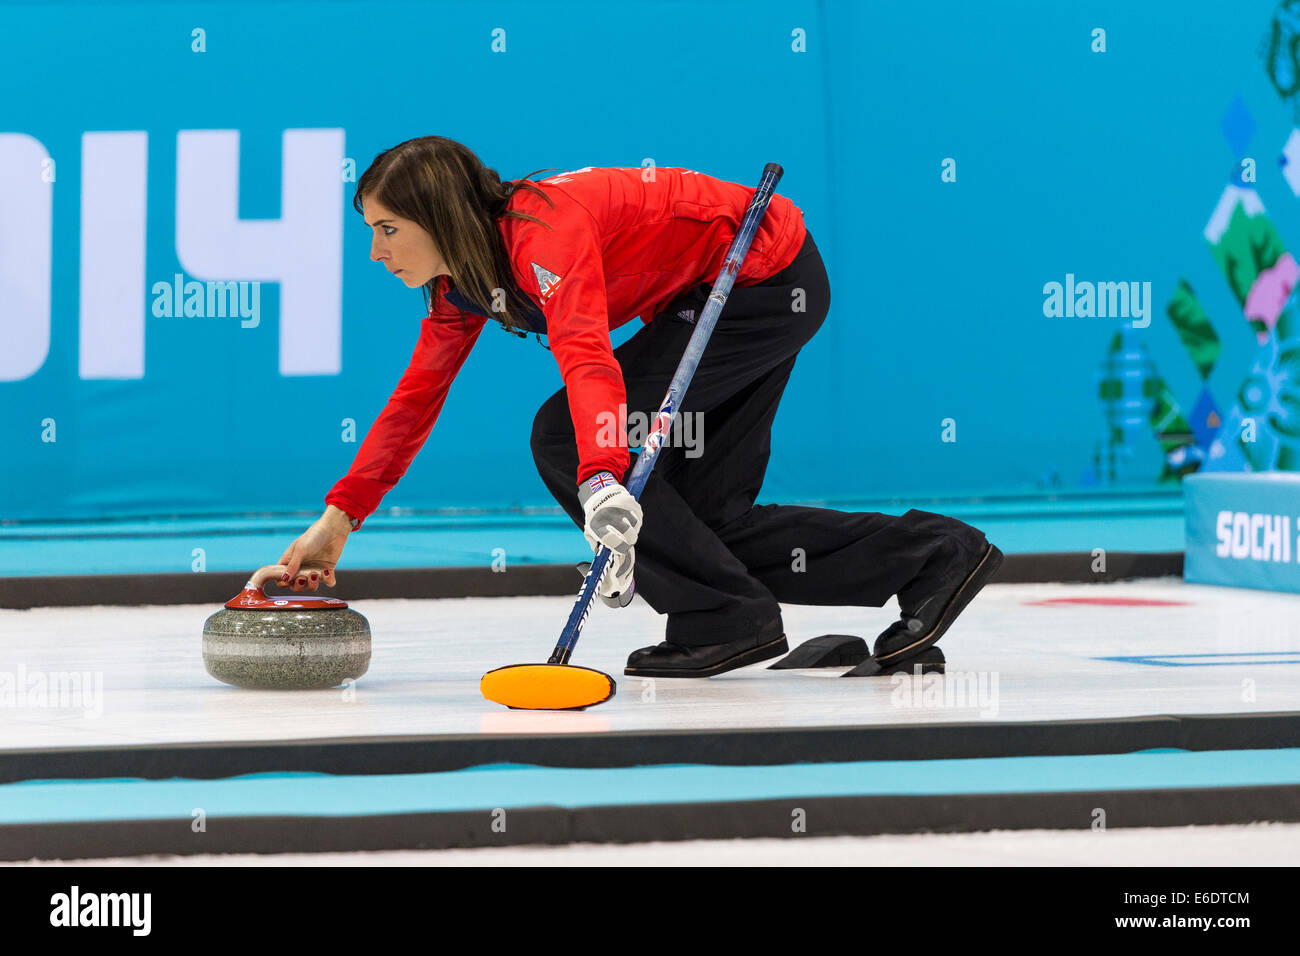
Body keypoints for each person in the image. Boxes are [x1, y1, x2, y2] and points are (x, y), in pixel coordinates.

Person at [277, 136, 1003, 678]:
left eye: (387, 229)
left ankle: (721, 613)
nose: (374, 252)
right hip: (727, 295)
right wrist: (339, 518)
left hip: (761, 281)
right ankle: (933, 558)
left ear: (439, 216)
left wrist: (598, 477)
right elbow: (415, 400)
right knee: (703, 523)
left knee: (563, 435)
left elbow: (586, 353)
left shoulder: (541, 234)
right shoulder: (460, 283)